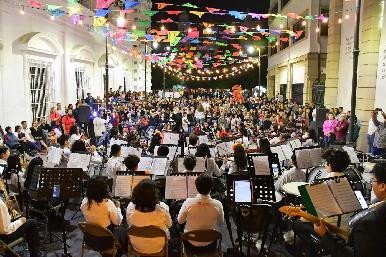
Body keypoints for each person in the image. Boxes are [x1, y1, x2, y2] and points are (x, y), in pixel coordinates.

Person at [313, 163, 386, 257]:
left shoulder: (369, 222)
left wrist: (325, 235)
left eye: (373, 180)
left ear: (383, 187)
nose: (372, 183)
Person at [177, 174, 224, 252]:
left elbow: (180, 221)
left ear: (196, 187)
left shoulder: (188, 202)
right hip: (210, 244)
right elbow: (220, 222)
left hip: (191, 244)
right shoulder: (218, 204)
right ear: (212, 187)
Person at [80, 177, 127, 255]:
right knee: (125, 228)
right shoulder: (107, 204)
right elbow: (117, 222)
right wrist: (118, 208)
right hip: (106, 241)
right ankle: (118, 252)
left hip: (89, 238)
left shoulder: (84, 202)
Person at [126, 179, 172, 254]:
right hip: (158, 246)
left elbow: (129, 223)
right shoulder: (163, 209)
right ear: (155, 195)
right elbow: (169, 224)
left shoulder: (130, 208)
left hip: (136, 245)